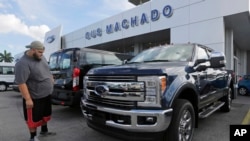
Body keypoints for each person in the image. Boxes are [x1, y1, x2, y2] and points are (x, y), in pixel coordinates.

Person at [15, 41, 56, 141]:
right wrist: (28, 99)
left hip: (46, 94)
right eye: (40, 52)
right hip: (34, 96)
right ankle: (33, 137)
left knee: (45, 114)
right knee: (33, 119)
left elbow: (47, 70)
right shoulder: (22, 63)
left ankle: (44, 130)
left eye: (42, 52)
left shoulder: (42, 58)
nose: (42, 54)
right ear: (32, 50)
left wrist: (50, 78)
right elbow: (21, 82)